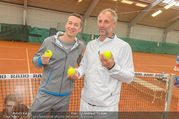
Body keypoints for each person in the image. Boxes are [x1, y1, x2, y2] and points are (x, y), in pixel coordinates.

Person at [68, 8, 134, 113]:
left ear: (114, 24)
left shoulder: (123, 47)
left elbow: (129, 78)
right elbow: (84, 66)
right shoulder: (91, 45)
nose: (102, 25)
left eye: (106, 21)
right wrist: (78, 73)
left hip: (107, 108)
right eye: (100, 21)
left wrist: (112, 67)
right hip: (85, 104)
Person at [30, 13, 84, 118]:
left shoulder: (79, 46)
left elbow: (83, 65)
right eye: (70, 23)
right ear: (65, 25)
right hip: (45, 94)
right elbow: (35, 60)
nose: (72, 27)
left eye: (76, 25)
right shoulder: (49, 42)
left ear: (80, 28)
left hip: (65, 97)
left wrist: (77, 73)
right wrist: (41, 60)